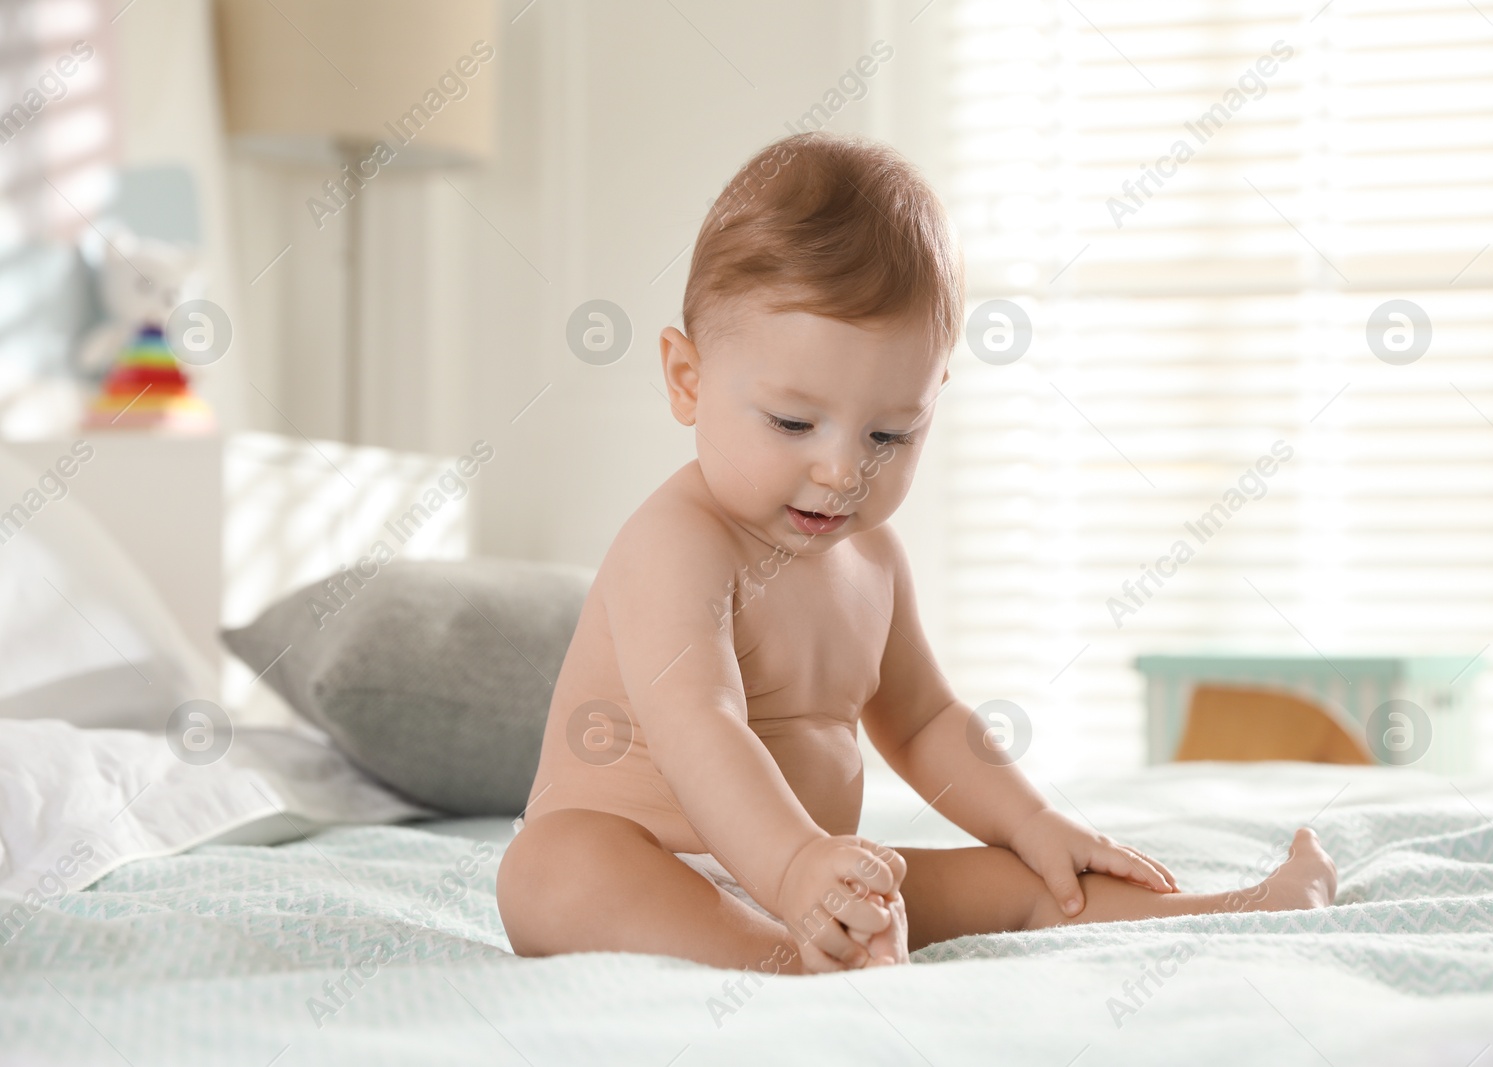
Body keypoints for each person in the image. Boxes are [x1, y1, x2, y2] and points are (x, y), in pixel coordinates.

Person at [497, 131, 1336, 975]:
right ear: (688, 378)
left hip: (816, 875)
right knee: (552, 870)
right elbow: (697, 726)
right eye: (793, 423)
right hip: (662, 865)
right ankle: (791, 963)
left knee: (1029, 878)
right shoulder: (675, 541)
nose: (842, 469)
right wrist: (789, 870)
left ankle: (1237, 909)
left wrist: (1031, 821)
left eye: (890, 433)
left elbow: (929, 723)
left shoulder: (874, 563)